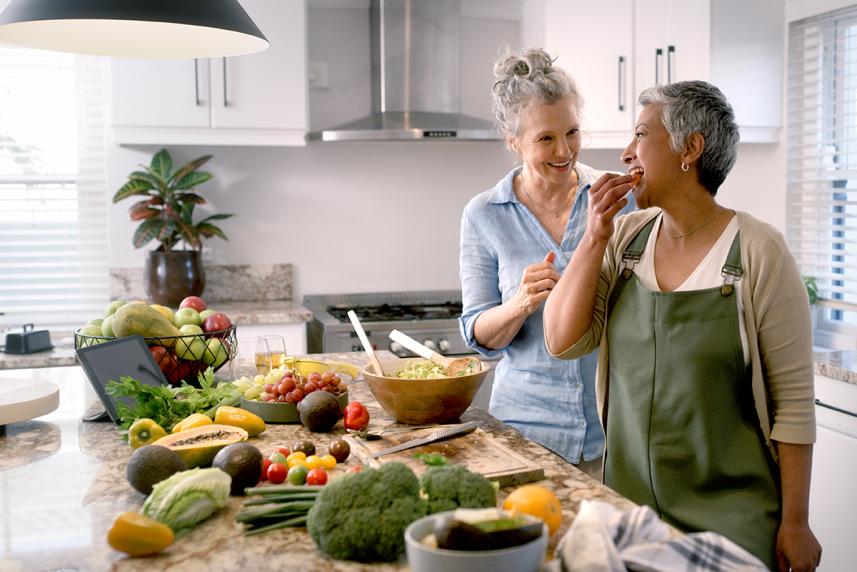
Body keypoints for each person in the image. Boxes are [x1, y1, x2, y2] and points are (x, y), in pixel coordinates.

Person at [543, 80, 821, 571]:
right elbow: (562, 341)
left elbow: (793, 406)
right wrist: (592, 237)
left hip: (732, 526)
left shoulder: (758, 251)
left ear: (690, 148)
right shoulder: (624, 240)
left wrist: (795, 524)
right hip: (630, 520)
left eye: (640, 135)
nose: (627, 154)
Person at [458, 47, 633, 476]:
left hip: (613, 432)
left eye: (571, 132)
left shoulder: (615, 202)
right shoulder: (484, 214)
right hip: (523, 433)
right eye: (545, 138)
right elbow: (476, 333)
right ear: (513, 140)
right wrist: (519, 304)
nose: (564, 150)